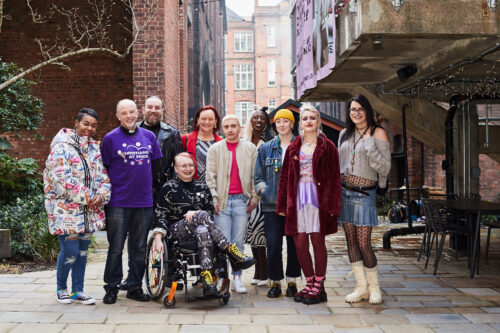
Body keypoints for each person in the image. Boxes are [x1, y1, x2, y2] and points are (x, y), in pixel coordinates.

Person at [152, 153, 256, 296]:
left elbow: (208, 210)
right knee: (201, 215)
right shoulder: (168, 187)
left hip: (199, 232)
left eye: (190, 165)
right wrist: (158, 237)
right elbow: (160, 214)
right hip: (176, 231)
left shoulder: (202, 186)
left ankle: (207, 279)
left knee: (202, 229)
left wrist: (196, 214)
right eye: (183, 166)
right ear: (176, 169)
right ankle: (229, 250)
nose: (188, 169)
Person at [44, 108, 111, 305]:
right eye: (85, 124)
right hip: (66, 212)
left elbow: (105, 177)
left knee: (82, 253)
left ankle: (77, 291)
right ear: (76, 123)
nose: (89, 128)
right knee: (70, 251)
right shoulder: (60, 148)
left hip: (89, 213)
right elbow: (62, 179)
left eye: (93, 125)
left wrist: (102, 195)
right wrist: (90, 197)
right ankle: (61, 289)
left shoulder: (95, 150)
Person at [276, 103, 341, 305]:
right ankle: (310, 282)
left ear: (318, 121)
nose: (309, 121)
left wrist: (333, 205)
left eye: (312, 118)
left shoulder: (328, 146)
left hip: (318, 198)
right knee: (300, 243)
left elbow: (335, 178)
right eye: (305, 118)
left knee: (317, 241)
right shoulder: (294, 146)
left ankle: (319, 286)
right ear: (300, 123)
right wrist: (281, 205)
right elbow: (285, 177)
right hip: (297, 199)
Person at [100, 99, 162, 304]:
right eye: (124, 113)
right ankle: (111, 287)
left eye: (132, 112)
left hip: (143, 202)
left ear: (138, 112)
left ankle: (135, 287)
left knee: (139, 248)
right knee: (116, 247)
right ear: (118, 116)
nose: (129, 116)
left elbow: (155, 168)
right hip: (118, 202)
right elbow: (105, 169)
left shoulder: (149, 137)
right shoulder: (109, 139)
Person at [120, 95, 182, 291]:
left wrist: (171, 189)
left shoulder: (172, 133)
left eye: (157, 107)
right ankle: (133, 278)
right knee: (136, 237)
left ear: (162, 111)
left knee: (169, 234)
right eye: (150, 107)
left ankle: (171, 276)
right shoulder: (131, 131)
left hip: (164, 191)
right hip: (139, 192)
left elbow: (177, 163)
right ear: (143, 109)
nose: (153, 110)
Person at [338, 94, 391, 305]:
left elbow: (385, 168)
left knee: (364, 243)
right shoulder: (344, 133)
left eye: (360, 109)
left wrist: (369, 143)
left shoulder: (378, 132)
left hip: (365, 193)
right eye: (353, 110)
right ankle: (361, 288)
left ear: (367, 111)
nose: (356, 113)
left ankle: (375, 288)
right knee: (351, 243)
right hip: (345, 193)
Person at [206, 114, 259, 294]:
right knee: (223, 242)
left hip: (242, 202)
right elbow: (210, 177)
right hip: (222, 202)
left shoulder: (250, 148)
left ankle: (237, 278)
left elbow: (255, 175)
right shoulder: (215, 149)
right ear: (222, 129)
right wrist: (213, 197)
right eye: (226, 126)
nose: (230, 129)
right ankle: (223, 278)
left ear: (239, 128)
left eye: (233, 126)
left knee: (237, 243)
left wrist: (254, 198)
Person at [254, 109, 302, 298]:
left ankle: (292, 281)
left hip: (295, 206)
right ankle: (275, 282)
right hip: (271, 205)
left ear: (292, 124)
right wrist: (264, 190)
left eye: (286, 121)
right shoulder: (266, 148)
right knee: (273, 245)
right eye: (278, 121)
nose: (282, 124)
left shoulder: (300, 145)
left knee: (294, 244)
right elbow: (258, 177)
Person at [242, 107, 274, 286]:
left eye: (262, 118)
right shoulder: (245, 141)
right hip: (247, 194)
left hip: (264, 195)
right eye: (255, 118)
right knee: (253, 235)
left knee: (263, 235)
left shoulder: (269, 141)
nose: (258, 121)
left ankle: (266, 272)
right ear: (250, 121)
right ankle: (258, 271)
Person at [181, 105, 223, 180]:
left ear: (215, 122)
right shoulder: (185, 139)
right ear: (198, 120)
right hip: (190, 187)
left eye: (210, 119)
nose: (207, 122)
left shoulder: (222, 143)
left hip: (214, 188)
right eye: (203, 119)